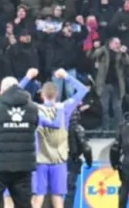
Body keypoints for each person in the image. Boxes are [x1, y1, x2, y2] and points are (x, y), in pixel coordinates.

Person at [26, 69, 89, 208]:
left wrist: (28, 77)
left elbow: (12, 94)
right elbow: (83, 89)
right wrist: (66, 76)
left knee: (37, 198)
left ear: (41, 95)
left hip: (40, 160)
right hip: (59, 161)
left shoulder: (34, 108)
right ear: (58, 94)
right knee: (58, 199)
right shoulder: (65, 108)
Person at [0, 76, 41, 208]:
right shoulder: (32, 109)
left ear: (3, 90)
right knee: (24, 204)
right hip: (22, 166)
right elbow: (34, 126)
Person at [108, 100, 129, 208]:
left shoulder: (124, 124)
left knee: (124, 188)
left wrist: (115, 164)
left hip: (126, 159)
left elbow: (115, 147)